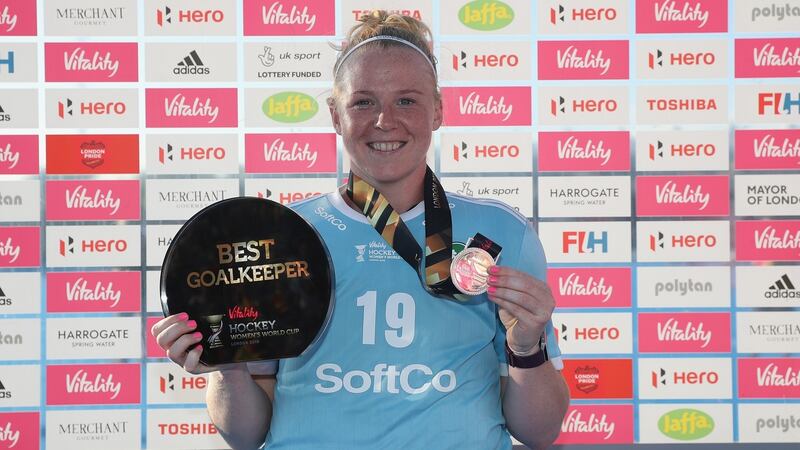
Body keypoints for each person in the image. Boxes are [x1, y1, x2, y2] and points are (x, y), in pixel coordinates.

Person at [152, 11, 569, 450]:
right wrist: (228, 365)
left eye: (407, 100)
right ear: (335, 114)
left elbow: (539, 433)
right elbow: (245, 435)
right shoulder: (281, 237)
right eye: (363, 102)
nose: (385, 121)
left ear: (439, 110)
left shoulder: (501, 232)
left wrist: (527, 346)